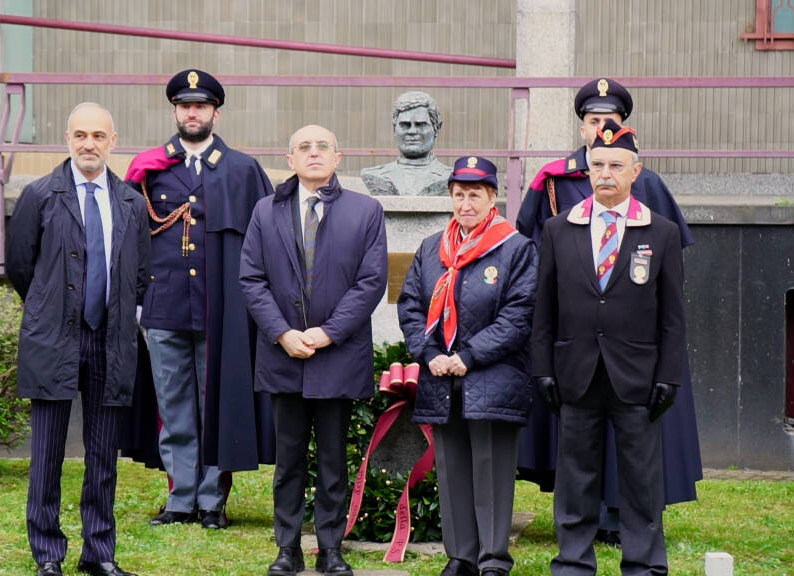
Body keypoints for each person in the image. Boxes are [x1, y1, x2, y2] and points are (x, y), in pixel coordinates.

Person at [515, 77, 701, 545]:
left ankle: (629, 522)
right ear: (582, 129)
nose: (601, 128)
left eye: (610, 121)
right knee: (579, 438)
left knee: (635, 440)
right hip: (576, 337)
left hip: (634, 340)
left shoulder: (647, 182)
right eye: (593, 122)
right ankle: (584, 523)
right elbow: (531, 250)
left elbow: (669, 261)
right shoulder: (553, 180)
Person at [123, 68, 276, 529]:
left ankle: (212, 499)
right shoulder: (149, 169)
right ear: (175, 110)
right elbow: (129, 238)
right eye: (186, 105)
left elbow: (265, 241)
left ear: (215, 111)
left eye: (201, 105)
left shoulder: (242, 169)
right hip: (164, 306)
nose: (193, 112)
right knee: (173, 407)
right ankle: (180, 496)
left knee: (217, 405)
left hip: (221, 310)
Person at [6, 102, 149, 576]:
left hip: (111, 340)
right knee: (46, 454)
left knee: (103, 455)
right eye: (81, 135)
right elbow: (21, 267)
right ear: (67, 138)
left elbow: (140, 274)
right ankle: (48, 554)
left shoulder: (129, 201)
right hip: (55, 339)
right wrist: (54, 307)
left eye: (99, 136)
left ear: (113, 140)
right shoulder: (41, 194)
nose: (90, 144)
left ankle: (99, 552)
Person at [240, 124, 388, 576]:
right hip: (284, 357)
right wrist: (283, 334)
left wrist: (328, 333)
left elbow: (371, 282)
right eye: (304, 147)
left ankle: (331, 549)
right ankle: (288, 549)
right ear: (291, 159)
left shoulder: (366, 211)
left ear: (338, 158)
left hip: (337, 357)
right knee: (287, 462)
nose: (314, 153)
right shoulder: (266, 211)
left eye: (323, 146)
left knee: (331, 460)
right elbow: (252, 279)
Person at [397, 156, 538, 576]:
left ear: (492, 196)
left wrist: (468, 357)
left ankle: (493, 559)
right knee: (453, 467)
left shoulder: (515, 248)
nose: (465, 203)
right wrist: (430, 354)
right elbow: (411, 307)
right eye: (459, 195)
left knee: (491, 468)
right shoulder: (431, 249)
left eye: (475, 194)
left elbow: (519, 316)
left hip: (492, 378)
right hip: (441, 378)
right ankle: (460, 555)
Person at [360, 91, 453, 196]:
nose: (412, 131)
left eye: (420, 125)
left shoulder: (452, 177)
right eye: (405, 125)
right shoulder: (373, 176)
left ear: (437, 129)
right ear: (394, 129)